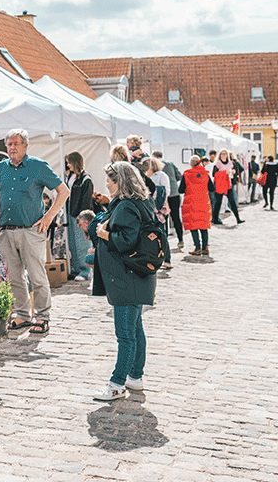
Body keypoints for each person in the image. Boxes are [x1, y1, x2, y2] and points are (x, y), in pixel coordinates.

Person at [0, 129, 69, 334]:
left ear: (25, 145)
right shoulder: (1, 168)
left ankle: (42, 316)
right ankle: (22, 314)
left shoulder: (38, 166)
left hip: (31, 231)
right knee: (14, 277)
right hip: (6, 231)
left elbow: (63, 191)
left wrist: (49, 217)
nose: (12, 148)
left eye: (16, 144)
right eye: (8, 144)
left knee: (37, 276)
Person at [90, 161, 157, 401]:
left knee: (125, 334)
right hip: (137, 276)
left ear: (121, 181)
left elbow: (126, 241)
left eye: (110, 179)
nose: (106, 183)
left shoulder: (127, 206)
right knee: (135, 329)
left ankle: (117, 384)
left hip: (126, 278)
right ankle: (135, 377)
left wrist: (103, 233)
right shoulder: (140, 202)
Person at [64, 151, 94, 282]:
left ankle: (85, 270)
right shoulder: (71, 177)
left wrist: (82, 218)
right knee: (73, 243)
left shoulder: (85, 179)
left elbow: (86, 200)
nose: (68, 165)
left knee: (82, 243)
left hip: (79, 214)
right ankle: (76, 268)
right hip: (71, 213)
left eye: (69, 162)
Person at [138, 157, 172, 270]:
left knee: (162, 235)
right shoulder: (143, 176)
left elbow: (166, 192)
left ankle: (167, 260)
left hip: (159, 211)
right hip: (148, 210)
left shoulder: (161, 175)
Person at [179, 155, 215, 256]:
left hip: (191, 203)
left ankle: (197, 247)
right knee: (203, 225)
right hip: (203, 202)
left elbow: (180, 190)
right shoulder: (205, 173)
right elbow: (212, 188)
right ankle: (205, 247)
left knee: (193, 225)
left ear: (191, 164)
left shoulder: (187, 174)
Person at [153, 151, 184, 249]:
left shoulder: (153, 164)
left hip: (162, 195)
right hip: (174, 193)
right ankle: (180, 240)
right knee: (176, 217)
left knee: (163, 219)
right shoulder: (170, 163)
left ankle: (165, 242)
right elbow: (179, 175)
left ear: (154, 157)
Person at [210, 149, 244, 225]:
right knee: (218, 203)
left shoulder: (230, 163)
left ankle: (238, 218)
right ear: (220, 155)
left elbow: (233, 172)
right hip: (219, 185)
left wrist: (233, 172)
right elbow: (214, 174)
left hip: (228, 184)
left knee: (232, 202)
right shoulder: (217, 163)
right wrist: (225, 172)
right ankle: (215, 219)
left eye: (225, 153)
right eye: (222, 153)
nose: (224, 155)